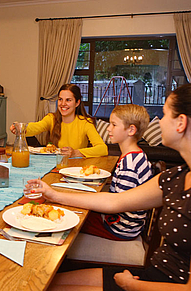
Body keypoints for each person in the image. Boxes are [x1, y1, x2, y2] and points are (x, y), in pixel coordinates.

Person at [26, 83, 191, 290]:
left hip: (148, 278)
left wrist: (132, 285)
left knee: (61, 230)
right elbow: (115, 200)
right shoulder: (174, 177)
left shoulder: (137, 163)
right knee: (47, 283)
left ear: (181, 123)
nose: (160, 122)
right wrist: (53, 194)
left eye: (165, 114)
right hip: (152, 271)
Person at [81, 104, 153, 241]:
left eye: (114, 125)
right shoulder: (135, 155)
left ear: (131, 130)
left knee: (76, 219)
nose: (108, 128)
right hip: (125, 222)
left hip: (120, 227)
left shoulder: (129, 164)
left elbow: (115, 205)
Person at [10, 84, 107, 158]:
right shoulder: (51, 118)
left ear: (77, 103)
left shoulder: (85, 123)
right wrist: (20, 127)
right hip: (54, 166)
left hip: (76, 167)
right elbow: (36, 127)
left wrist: (76, 152)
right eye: (60, 99)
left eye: (68, 100)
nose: (63, 104)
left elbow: (103, 149)